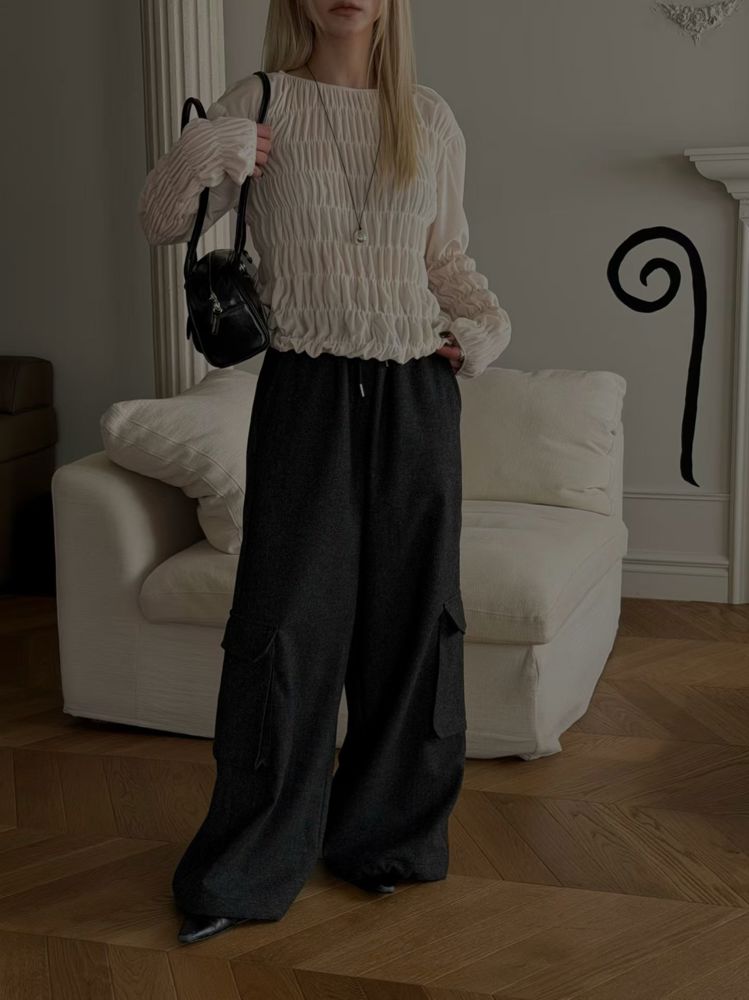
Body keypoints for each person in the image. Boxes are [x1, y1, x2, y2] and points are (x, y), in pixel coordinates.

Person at [137, 0, 511, 945]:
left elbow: (448, 260)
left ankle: (385, 842)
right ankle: (248, 864)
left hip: (418, 396)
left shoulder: (428, 117)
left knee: (414, 622)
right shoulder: (262, 102)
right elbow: (160, 219)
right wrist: (208, 148)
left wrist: (484, 329)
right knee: (285, 625)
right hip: (304, 391)